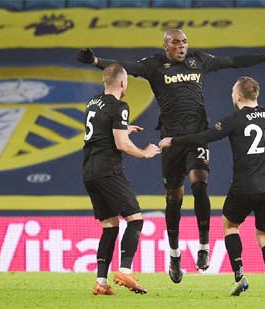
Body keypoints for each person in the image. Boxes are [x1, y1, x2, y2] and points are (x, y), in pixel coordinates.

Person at [77, 29, 265, 283]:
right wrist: (95, 61)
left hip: (197, 135)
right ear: (166, 46)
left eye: (184, 42)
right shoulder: (155, 65)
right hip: (170, 140)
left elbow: (233, 61)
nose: (182, 46)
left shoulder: (198, 61)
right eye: (176, 42)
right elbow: (127, 67)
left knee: (200, 186)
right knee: (173, 198)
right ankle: (175, 254)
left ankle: (203, 247)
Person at [159, 76, 265, 297]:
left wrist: (174, 141)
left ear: (238, 96)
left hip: (245, 183)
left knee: (230, 225)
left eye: (232, 93)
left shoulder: (236, 119)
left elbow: (206, 136)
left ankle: (239, 276)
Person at [83, 63, 161, 296]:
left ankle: (101, 283)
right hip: (109, 169)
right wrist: (144, 152)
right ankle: (125, 270)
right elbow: (120, 144)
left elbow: (100, 133)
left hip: (89, 170)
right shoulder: (120, 106)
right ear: (122, 83)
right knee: (135, 220)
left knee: (110, 227)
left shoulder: (93, 103)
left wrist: (124, 128)